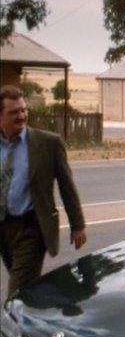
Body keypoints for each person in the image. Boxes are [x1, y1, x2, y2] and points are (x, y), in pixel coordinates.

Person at [0, 85, 87, 298]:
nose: (21, 116)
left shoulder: (48, 143)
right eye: (14, 112)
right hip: (3, 227)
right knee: (26, 288)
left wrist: (77, 225)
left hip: (31, 227)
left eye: (23, 110)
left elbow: (67, 185)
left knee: (17, 290)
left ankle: (13, 329)